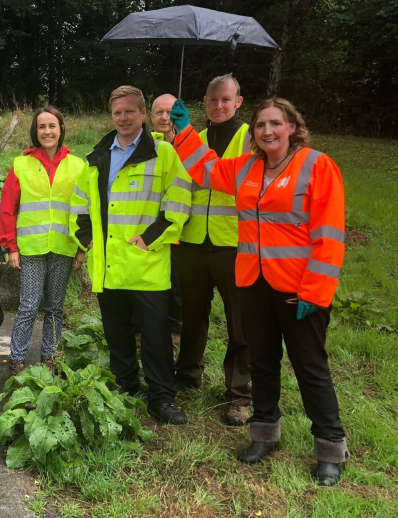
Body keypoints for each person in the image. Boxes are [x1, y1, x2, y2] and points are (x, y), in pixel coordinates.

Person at [171, 97, 348, 486]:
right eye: (260, 125)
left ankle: (331, 449)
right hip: (253, 283)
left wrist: (315, 293)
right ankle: (264, 435)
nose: (267, 131)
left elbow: (330, 237)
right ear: (253, 133)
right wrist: (183, 131)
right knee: (263, 363)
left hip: (299, 291)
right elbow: (206, 171)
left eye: (275, 123)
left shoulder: (317, 166)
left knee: (311, 369)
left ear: (292, 127)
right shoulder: (247, 168)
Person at [70, 86, 192, 425]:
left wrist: (151, 237)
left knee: (155, 336)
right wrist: (86, 238)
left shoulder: (164, 154)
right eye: (117, 113)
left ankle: (161, 398)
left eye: (129, 111)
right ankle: (125, 389)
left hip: (147, 264)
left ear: (143, 115)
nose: (123, 118)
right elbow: (79, 204)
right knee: (118, 334)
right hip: (108, 265)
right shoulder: (96, 157)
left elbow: (179, 200)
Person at [172, 74, 253, 427]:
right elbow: (181, 188)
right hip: (192, 242)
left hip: (232, 243)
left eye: (225, 100)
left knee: (240, 323)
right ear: (204, 103)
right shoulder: (196, 139)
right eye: (212, 100)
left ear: (239, 102)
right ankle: (188, 376)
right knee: (191, 316)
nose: (218, 106)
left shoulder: (250, 138)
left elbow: (240, 183)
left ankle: (239, 395)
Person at [0, 106, 86, 376]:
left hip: (63, 247)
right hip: (32, 249)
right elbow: (7, 209)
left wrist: (82, 247)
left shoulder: (78, 166)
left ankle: (50, 358)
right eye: (41, 127)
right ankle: (17, 360)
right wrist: (10, 247)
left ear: (61, 129)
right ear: (35, 132)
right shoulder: (21, 164)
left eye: (52, 126)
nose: (47, 131)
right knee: (28, 305)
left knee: (55, 308)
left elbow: (84, 210)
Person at [149, 93, 182, 354]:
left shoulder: (192, 145)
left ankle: (176, 343)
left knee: (179, 294)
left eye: (170, 111)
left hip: (184, 236)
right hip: (151, 235)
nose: (164, 117)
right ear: (150, 116)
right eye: (159, 112)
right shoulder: (145, 148)